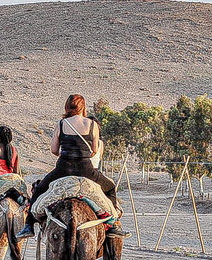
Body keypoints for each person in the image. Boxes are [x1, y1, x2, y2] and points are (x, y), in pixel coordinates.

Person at [17, 94, 130, 239]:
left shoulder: (62, 124)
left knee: (39, 189)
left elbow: (53, 150)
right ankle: (113, 225)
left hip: (64, 168)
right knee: (110, 187)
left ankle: (28, 226)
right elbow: (94, 149)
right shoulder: (92, 125)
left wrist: (65, 153)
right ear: (83, 107)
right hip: (86, 170)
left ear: (67, 106)